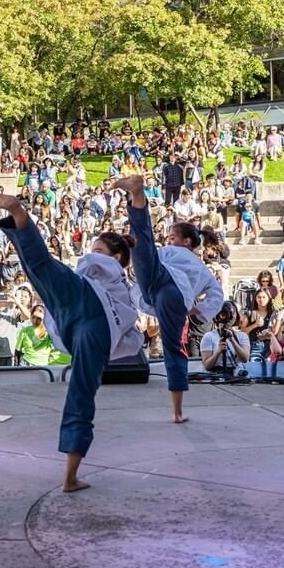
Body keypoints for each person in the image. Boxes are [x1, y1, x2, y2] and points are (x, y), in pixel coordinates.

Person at [0, 191, 142, 493]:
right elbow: (132, 340)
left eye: (98, 249)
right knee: (81, 393)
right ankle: (70, 476)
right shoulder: (122, 288)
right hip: (83, 323)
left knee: (40, 267)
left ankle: (16, 211)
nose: (92, 253)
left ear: (116, 257)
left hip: (85, 307)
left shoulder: (112, 276)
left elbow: (132, 332)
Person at [114, 176, 224, 424]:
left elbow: (149, 256)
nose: (169, 240)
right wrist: (197, 311)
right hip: (169, 298)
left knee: (141, 242)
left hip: (164, 284)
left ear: (186, 241)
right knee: (173, 350)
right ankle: (177, 412)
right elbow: (218, 295)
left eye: (173, 237)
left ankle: (137, 195)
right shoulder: (204, 271)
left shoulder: (171, 252)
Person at [200, 302, 250, 375]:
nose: (226, 317)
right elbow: (207, 366)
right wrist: (218, 351)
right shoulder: (208, 336)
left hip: (237, 375)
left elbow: (245, 359)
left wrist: (232, 340)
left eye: (230, 314)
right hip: (216, 375)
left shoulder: (242, 336)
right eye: (222, 314)